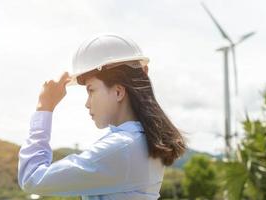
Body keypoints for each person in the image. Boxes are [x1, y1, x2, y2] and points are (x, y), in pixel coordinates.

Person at [18, 33, 188, 200]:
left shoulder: (123, 148)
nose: (87, 103)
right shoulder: (141, 142)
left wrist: (44, 108)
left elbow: (32, 178)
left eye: (91, 90)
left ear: (118, 92)